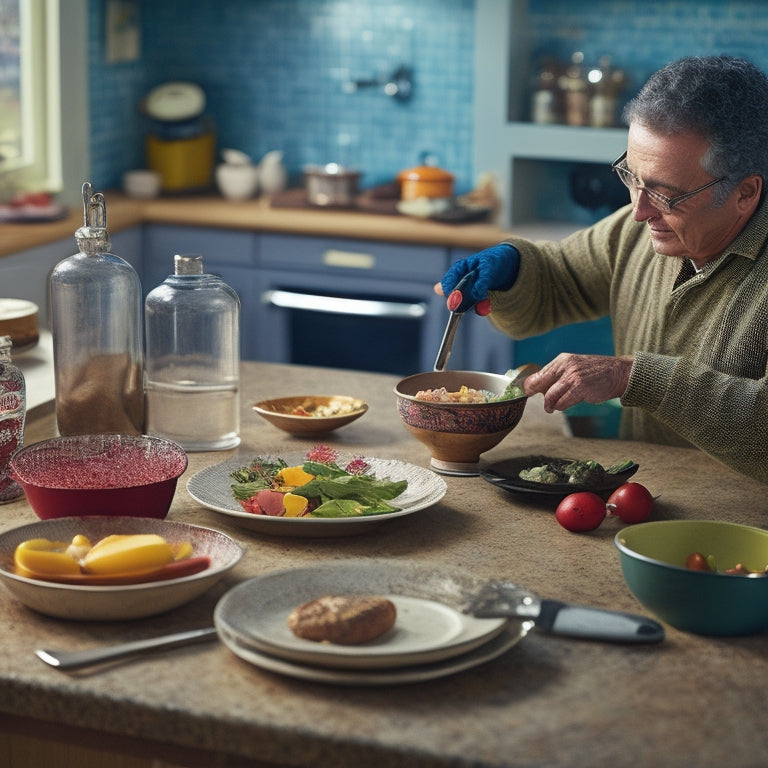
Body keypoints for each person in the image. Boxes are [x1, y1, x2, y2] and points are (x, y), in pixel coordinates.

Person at [437, 55, 768, 483]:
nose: (638, 211)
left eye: (666, 195)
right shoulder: (640, 230)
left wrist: (632, 377)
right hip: (655, 495)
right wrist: (514, 269)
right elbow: (560, 278)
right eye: (632, 176)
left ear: (745, 192)